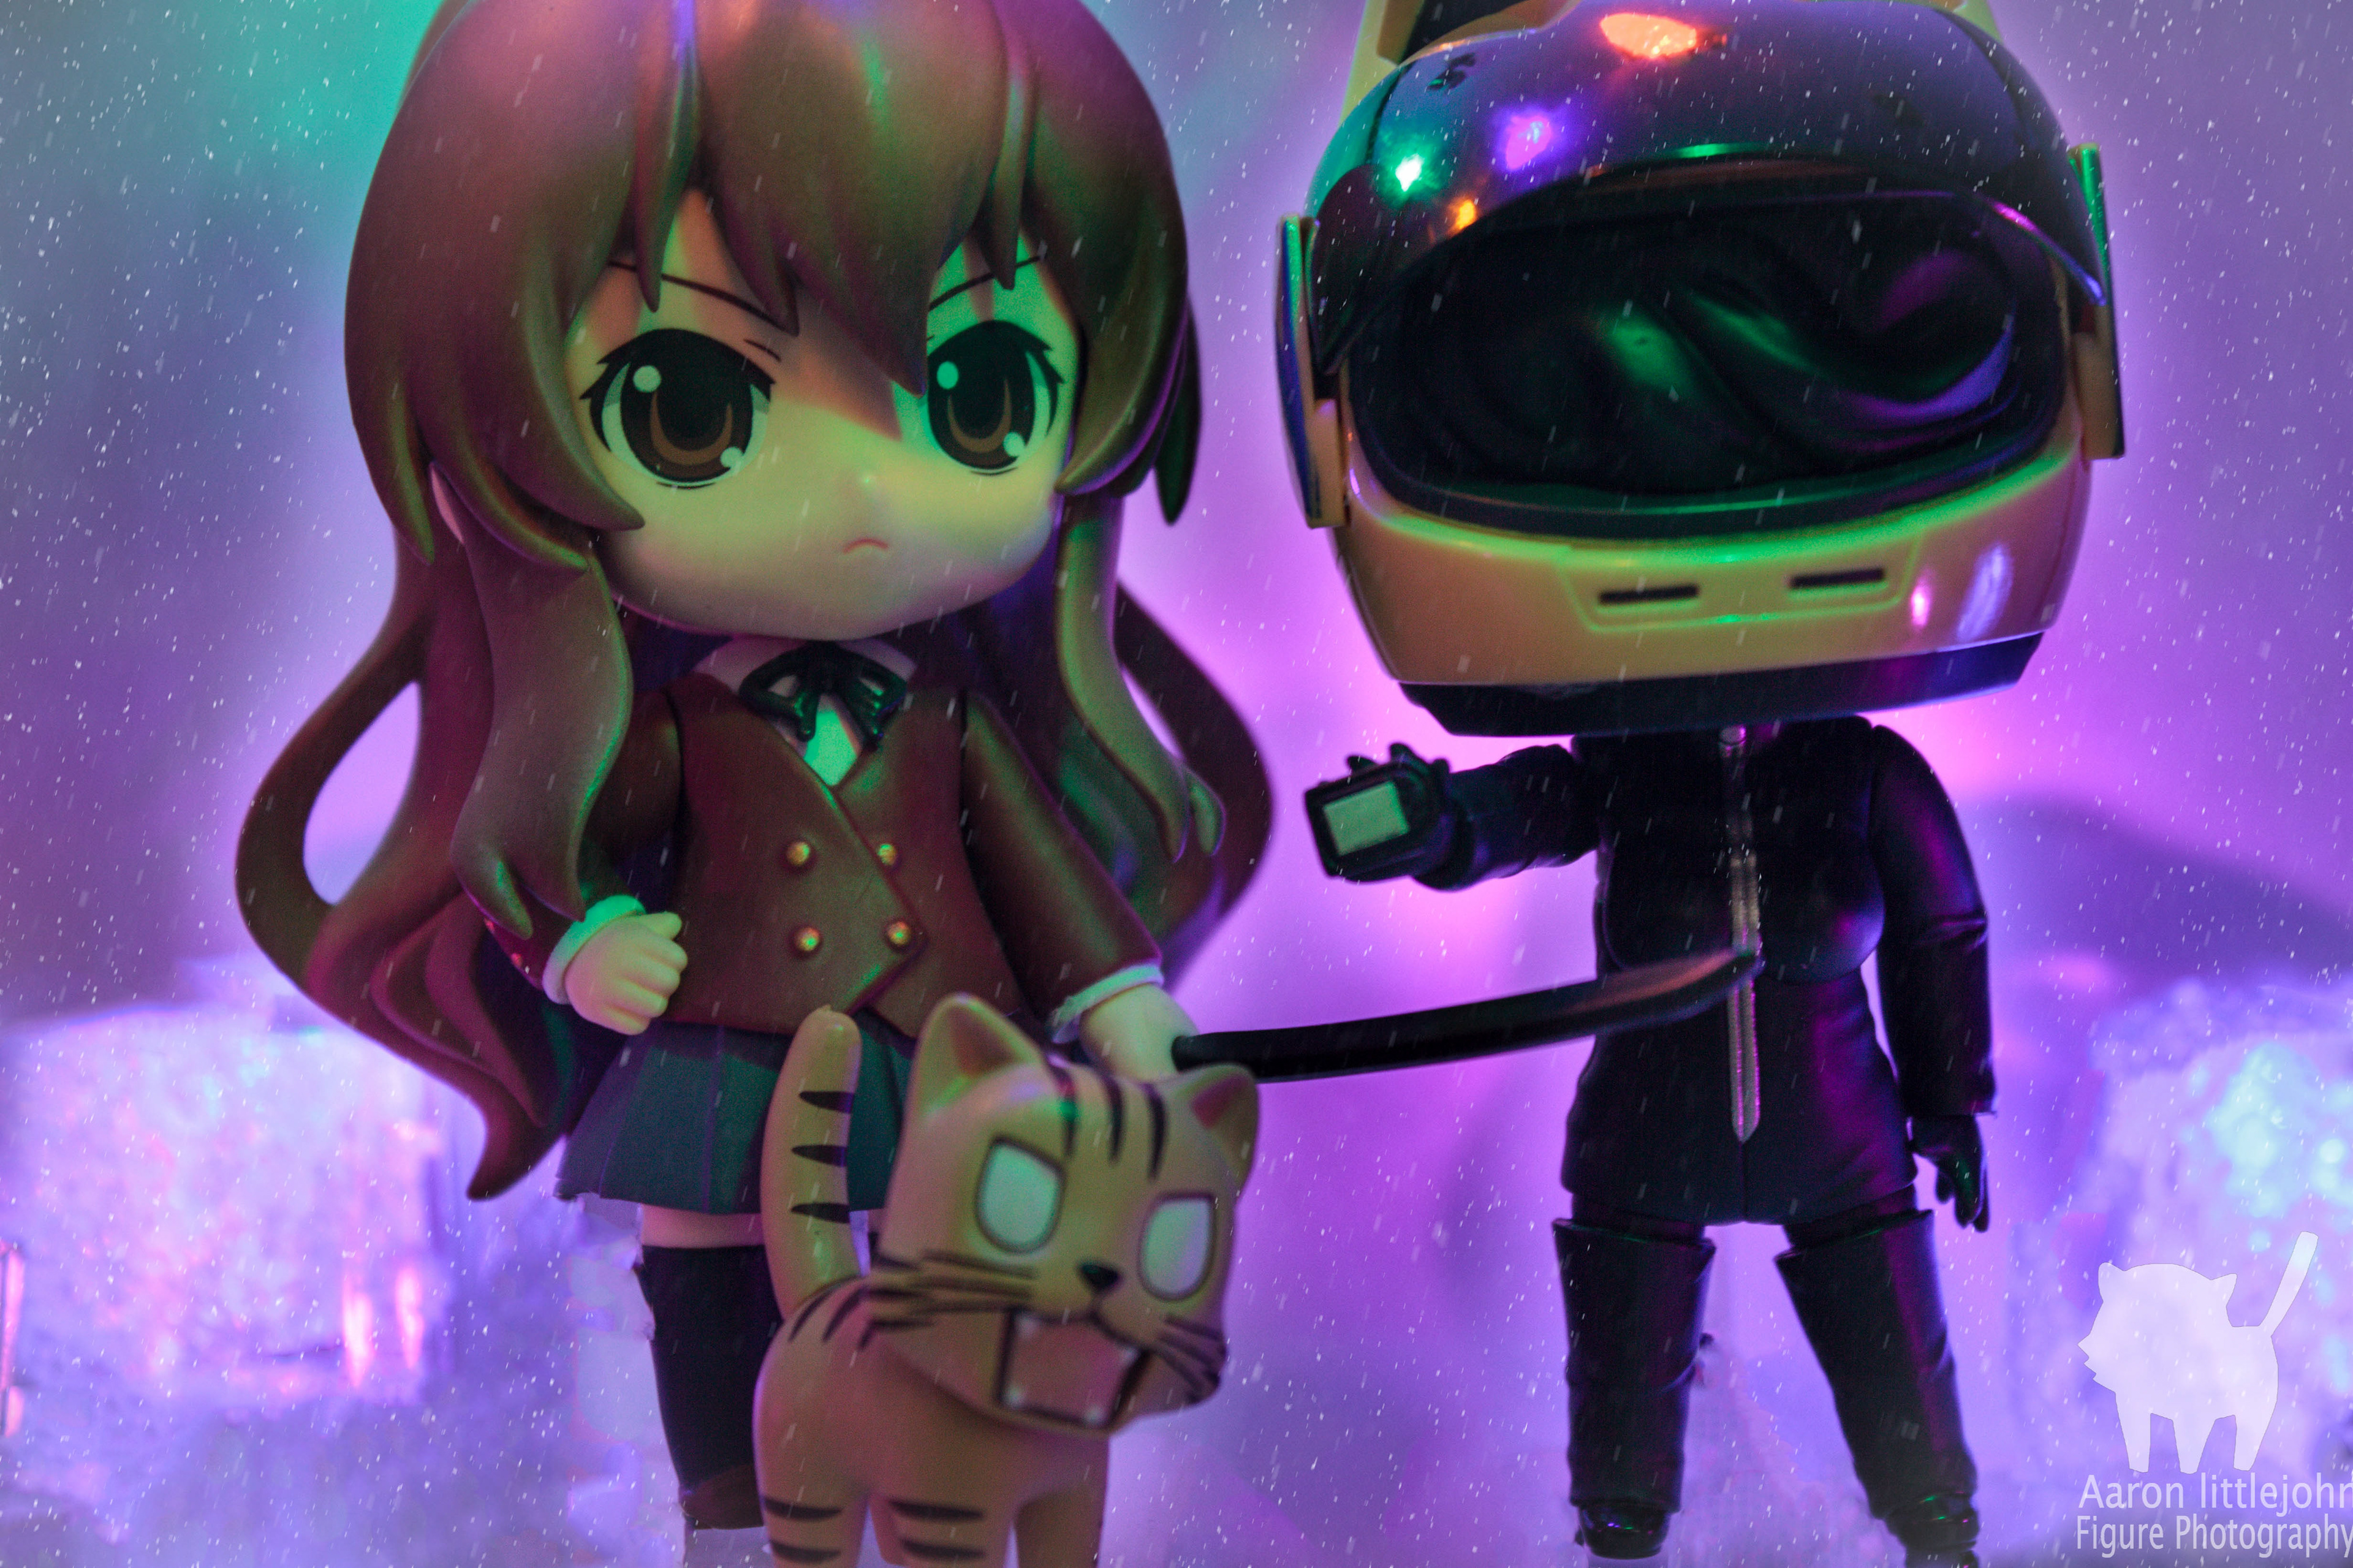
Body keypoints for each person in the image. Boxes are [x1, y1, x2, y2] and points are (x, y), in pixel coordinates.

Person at [237, 0, 1265, 1533]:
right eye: (690, 406)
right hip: (721, 1050)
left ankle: (935, 1497)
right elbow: (557, 834)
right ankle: (733, 1507)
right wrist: (578, 943)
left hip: (944, 1045)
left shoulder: (955, 722)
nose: (861, 490)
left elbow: (1043, 875)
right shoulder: (672, 729)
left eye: (981, 391)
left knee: (952, 1265)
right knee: (713, 1282)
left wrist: (1120, 997)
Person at [1281, 1, 2124, 1562]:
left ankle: (1935, 1527)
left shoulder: (1866, 776)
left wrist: (1953, 1105)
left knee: (1903, 1394)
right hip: (1649, 1129)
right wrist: (1440, 823)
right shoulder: (1636, 768)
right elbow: (1537, 808)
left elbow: (1944, 938)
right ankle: (1625, 1529)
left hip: (1841, 1128)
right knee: (1624, 1408)